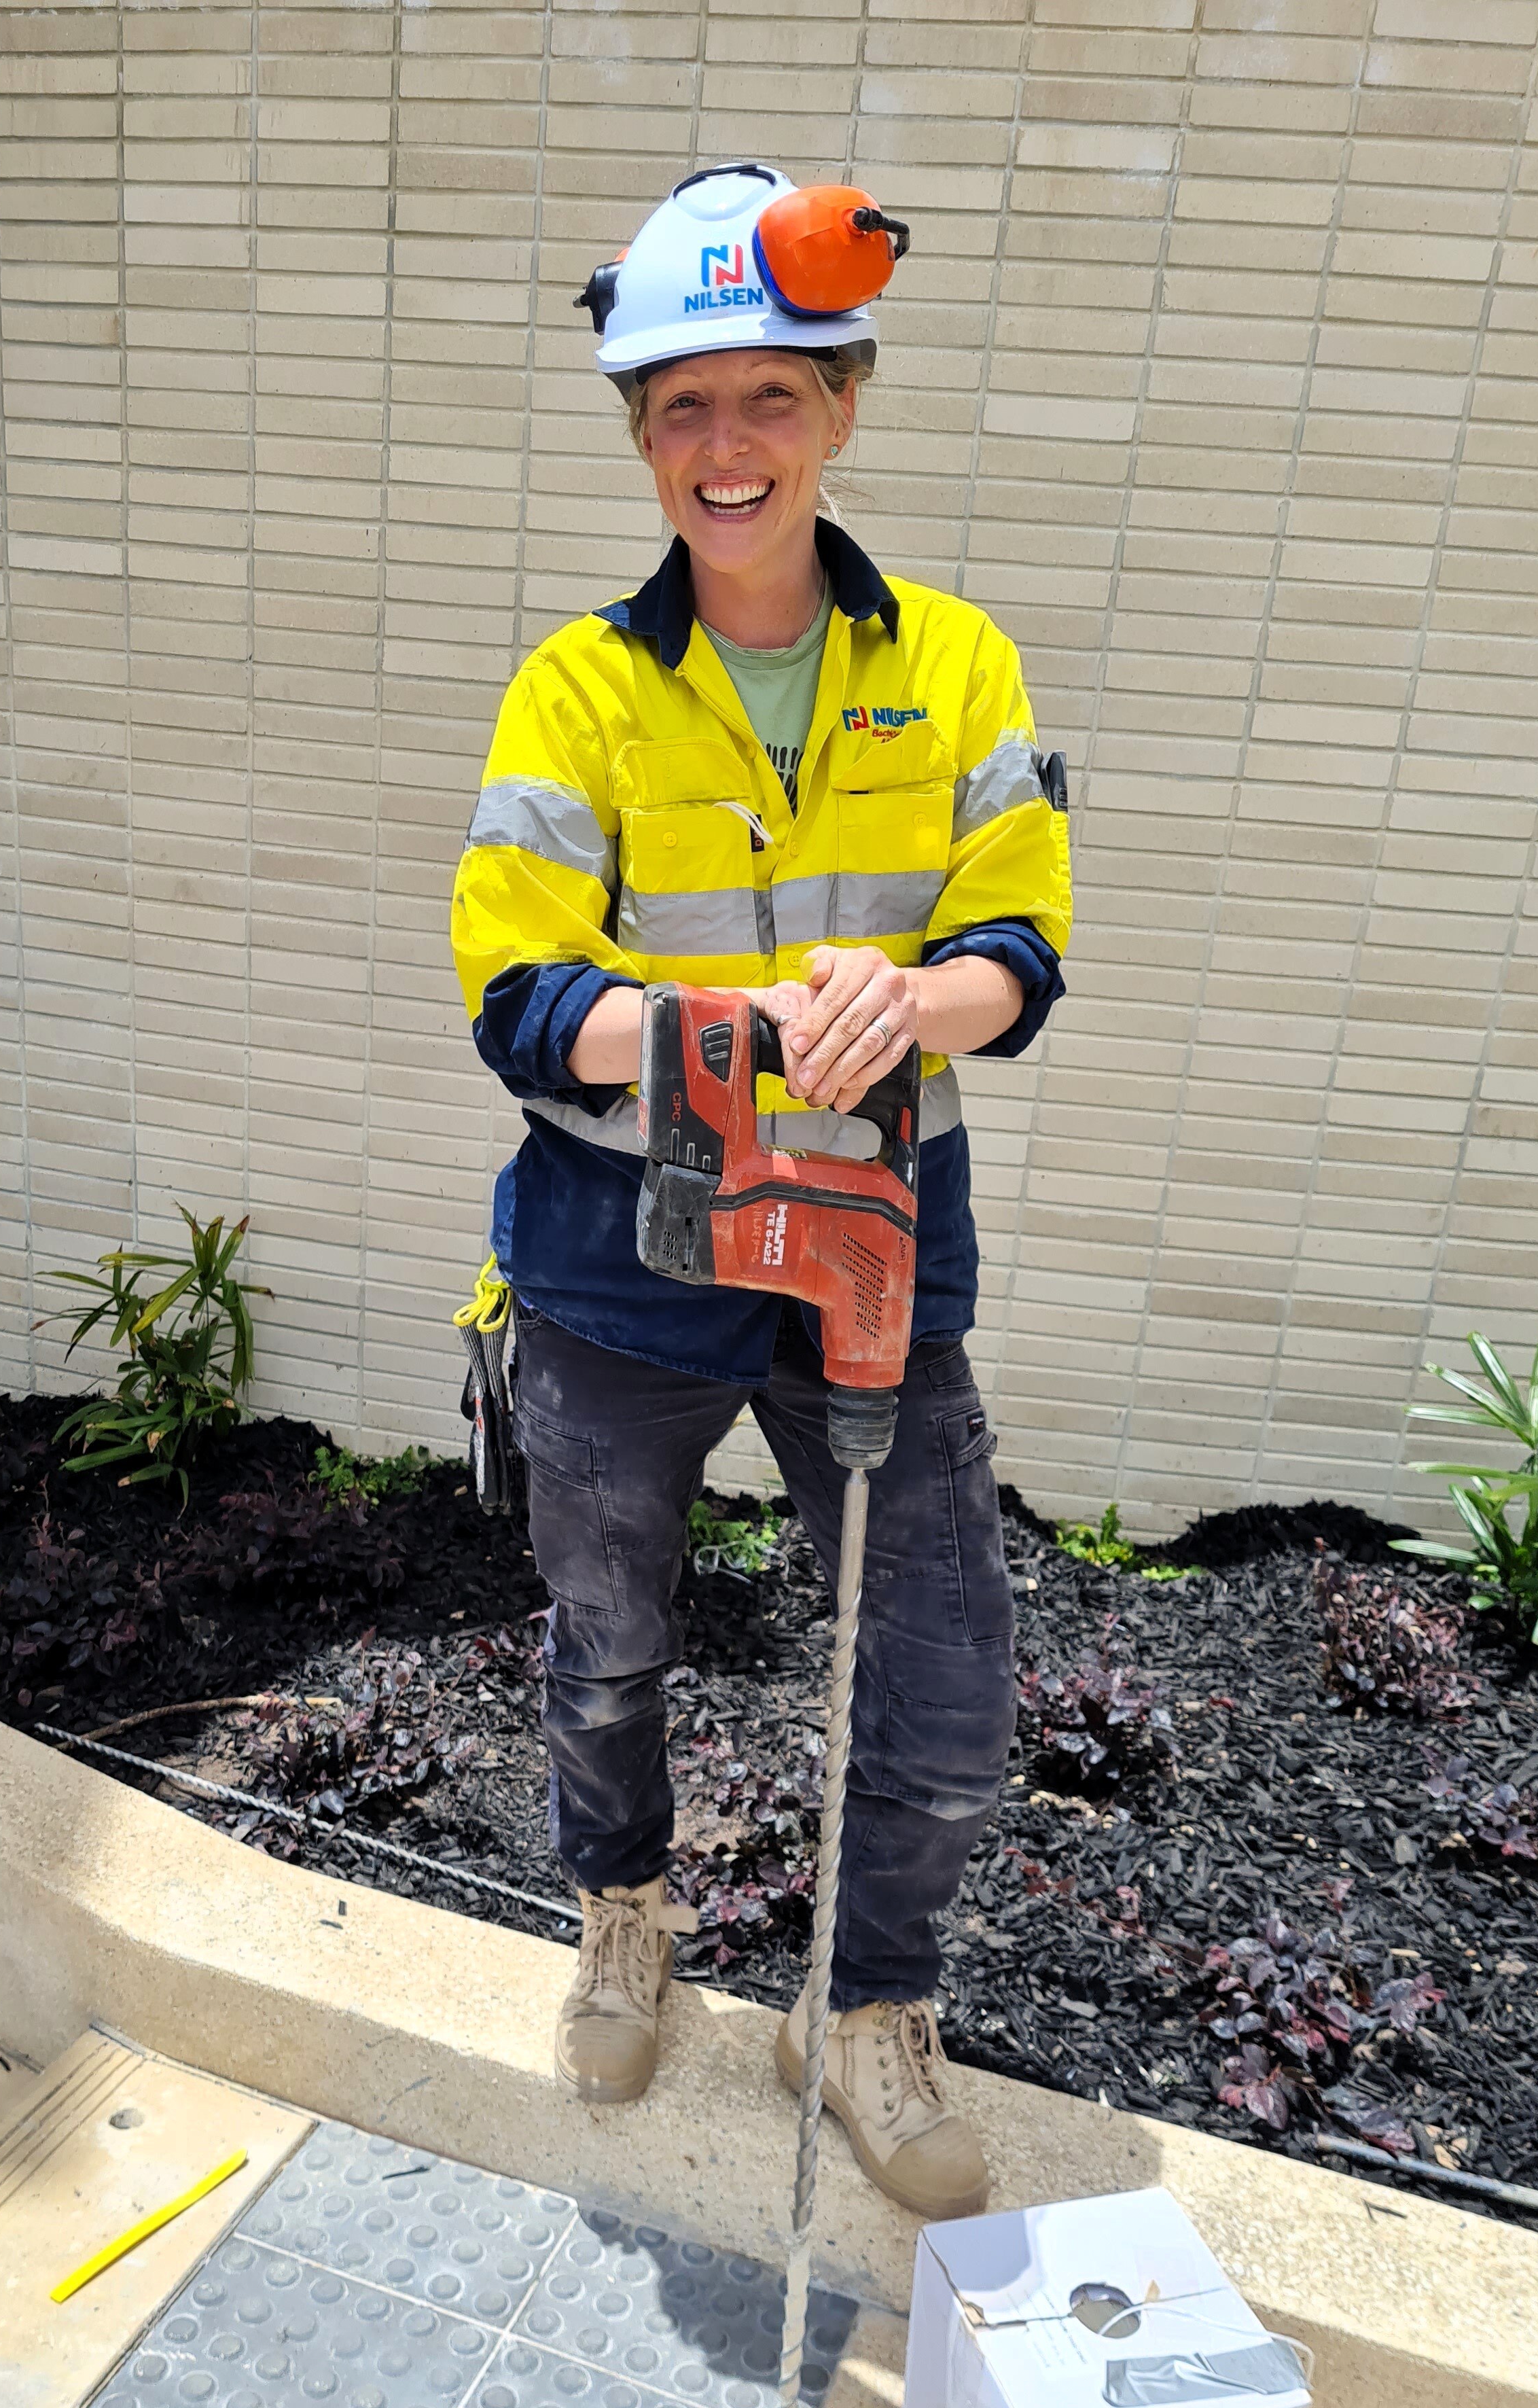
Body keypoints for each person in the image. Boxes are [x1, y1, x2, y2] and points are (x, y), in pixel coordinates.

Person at [449, 162, 1073, 2220]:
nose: (726, 448)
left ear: (843, 407)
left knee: (939, 1676)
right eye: (680, 410)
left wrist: (920, 995)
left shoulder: (962, 665)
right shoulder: (580, 690)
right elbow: (525, 1001)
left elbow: (1019, 959)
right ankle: (625, 1915)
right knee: (613, 1631)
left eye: (768, 400)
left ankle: (866, 2006)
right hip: (626, 1263)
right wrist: (753, 1029)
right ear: (645, 440)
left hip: (878, 1262)